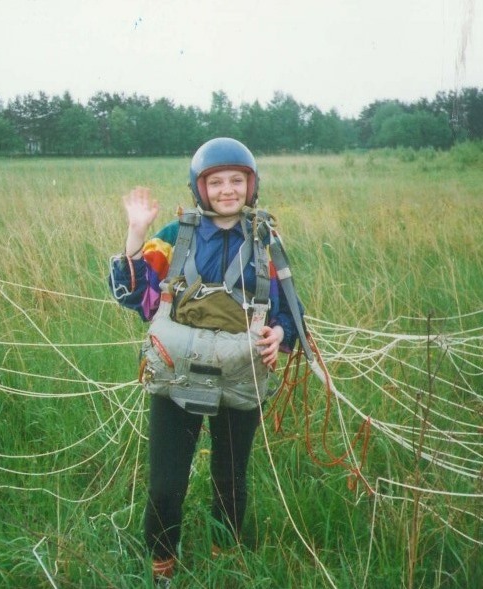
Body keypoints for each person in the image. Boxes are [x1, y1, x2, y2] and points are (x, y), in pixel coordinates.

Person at [109, 137, 302, 585]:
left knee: (231, 480)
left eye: (237, 180)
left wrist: (280, 334)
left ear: (252, 185)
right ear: (201, 187)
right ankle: (161, 568)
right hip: (177, 375)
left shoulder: (265, 237)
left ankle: (226, 558)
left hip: (241, 375)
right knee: (164, 484)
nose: (228, 190)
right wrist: (137, 233)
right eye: (216, 182)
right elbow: (133, 293)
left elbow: (287, 306)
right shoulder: (178, 235)